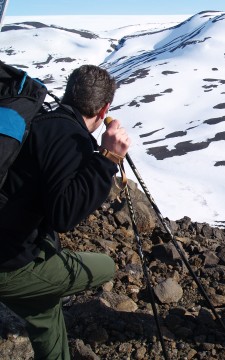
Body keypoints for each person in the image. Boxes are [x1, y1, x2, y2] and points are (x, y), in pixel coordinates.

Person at [0, 64, 131, 359]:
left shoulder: (42, 120)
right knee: (105, 267)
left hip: (8, 242)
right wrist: (108, 160)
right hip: (8, 263)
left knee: (45, 313)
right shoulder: (72, 140)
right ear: (104, 108)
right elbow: (64, 216)